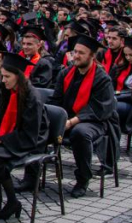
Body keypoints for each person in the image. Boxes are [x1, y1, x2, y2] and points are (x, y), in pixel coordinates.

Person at [46, 35, 118, 198]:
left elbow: (98, 108)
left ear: (92, 56)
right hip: (68, 119)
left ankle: (83, 178)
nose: (76, 56)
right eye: (75, 52)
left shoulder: (102, 78)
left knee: (81, 133)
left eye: (81, 53)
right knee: (40, 124)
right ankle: (31, 176)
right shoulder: (66, 73)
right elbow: (56, 100)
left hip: (95, 121)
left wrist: (71, 122)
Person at [0, 52, 48, 219]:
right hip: (11, 134)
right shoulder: (8, 90)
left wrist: (2, 139)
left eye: (7, 76)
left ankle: (12, 202)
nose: (3, 80)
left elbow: (30, 133)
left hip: (30, 140)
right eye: (2, 76)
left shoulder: (32, 98)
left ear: (18, 77)